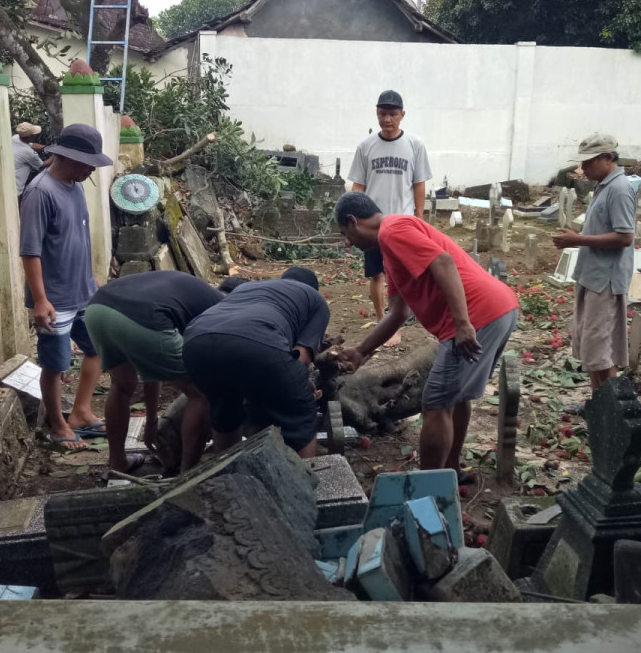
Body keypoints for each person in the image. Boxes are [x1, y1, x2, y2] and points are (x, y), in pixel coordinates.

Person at [335, 192, 518, 479]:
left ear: (353, 222)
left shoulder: (392, 229)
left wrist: (462, 322)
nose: (348, 242)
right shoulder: (390, 251)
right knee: (455, 397)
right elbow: (397, 313)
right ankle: (451, 470)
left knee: (435, 403)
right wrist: (361, 351)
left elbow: (443, 262)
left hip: (477, 314)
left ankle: (429, 490)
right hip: (499, 308)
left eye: (345, 234)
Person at [19, 123, 111, 449]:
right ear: (66, 156)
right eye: (86, 162)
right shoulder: (40, 193)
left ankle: (82, 412)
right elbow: (30, 251)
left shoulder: (76, 185)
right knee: (55, 365)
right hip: (55, 298)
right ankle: (57, 424)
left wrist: (92, 280)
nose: (90, 170)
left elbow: (78, 239)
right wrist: (41, 300)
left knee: (98, 348)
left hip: (83, 290)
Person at [86, 271, 225, 473]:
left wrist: (152, 422)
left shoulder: (189, 293)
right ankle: (187, 474)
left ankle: (117, 463)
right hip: (143, 318)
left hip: (97, 309)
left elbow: (151, 367)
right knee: (200, 393)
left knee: (121, 385)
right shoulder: (220, 309)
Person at [182, 267, 329, 458]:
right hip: (258, 342)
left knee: (225, 410)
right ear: (312, 288)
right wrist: (295, 386)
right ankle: (305, 481)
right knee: (300, 416)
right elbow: (302, 358)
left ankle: (231, 479)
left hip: (196, 341)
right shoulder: (316, 301)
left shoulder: (249, 288)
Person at [347, 90, 433, 348]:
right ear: (377, 113)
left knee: (407, 273)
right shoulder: (366, 146)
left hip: (404, 223)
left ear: (402, 115)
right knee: (377, 275)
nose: (387, 119)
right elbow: (358, 186)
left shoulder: (415, 145)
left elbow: (419, 184)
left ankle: (407, 315)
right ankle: (383, 321)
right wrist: (352, 222)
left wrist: (420, 217)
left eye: (393, 114)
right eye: (383, 113)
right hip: (373, 226)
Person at [551, 134, 636, 392]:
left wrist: (579, 239)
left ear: (608, 158)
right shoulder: (604, 187)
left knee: (601, 354)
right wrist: (578, 240)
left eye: (588, 162)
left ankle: (613, 416)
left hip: (605, 282)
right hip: (591, 276)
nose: (583, 169)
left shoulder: (620, 190)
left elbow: (625, 237)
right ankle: (598, 406)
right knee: (591, 350)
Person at [13, 122, 46, 196]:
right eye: (34, 135)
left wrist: (46, 147)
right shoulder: (28, 152)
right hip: (16, 191)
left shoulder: (15, 138)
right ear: (30, 137)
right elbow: (43, 165)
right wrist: (56, 155)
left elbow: (32, 145)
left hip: (9, 185)